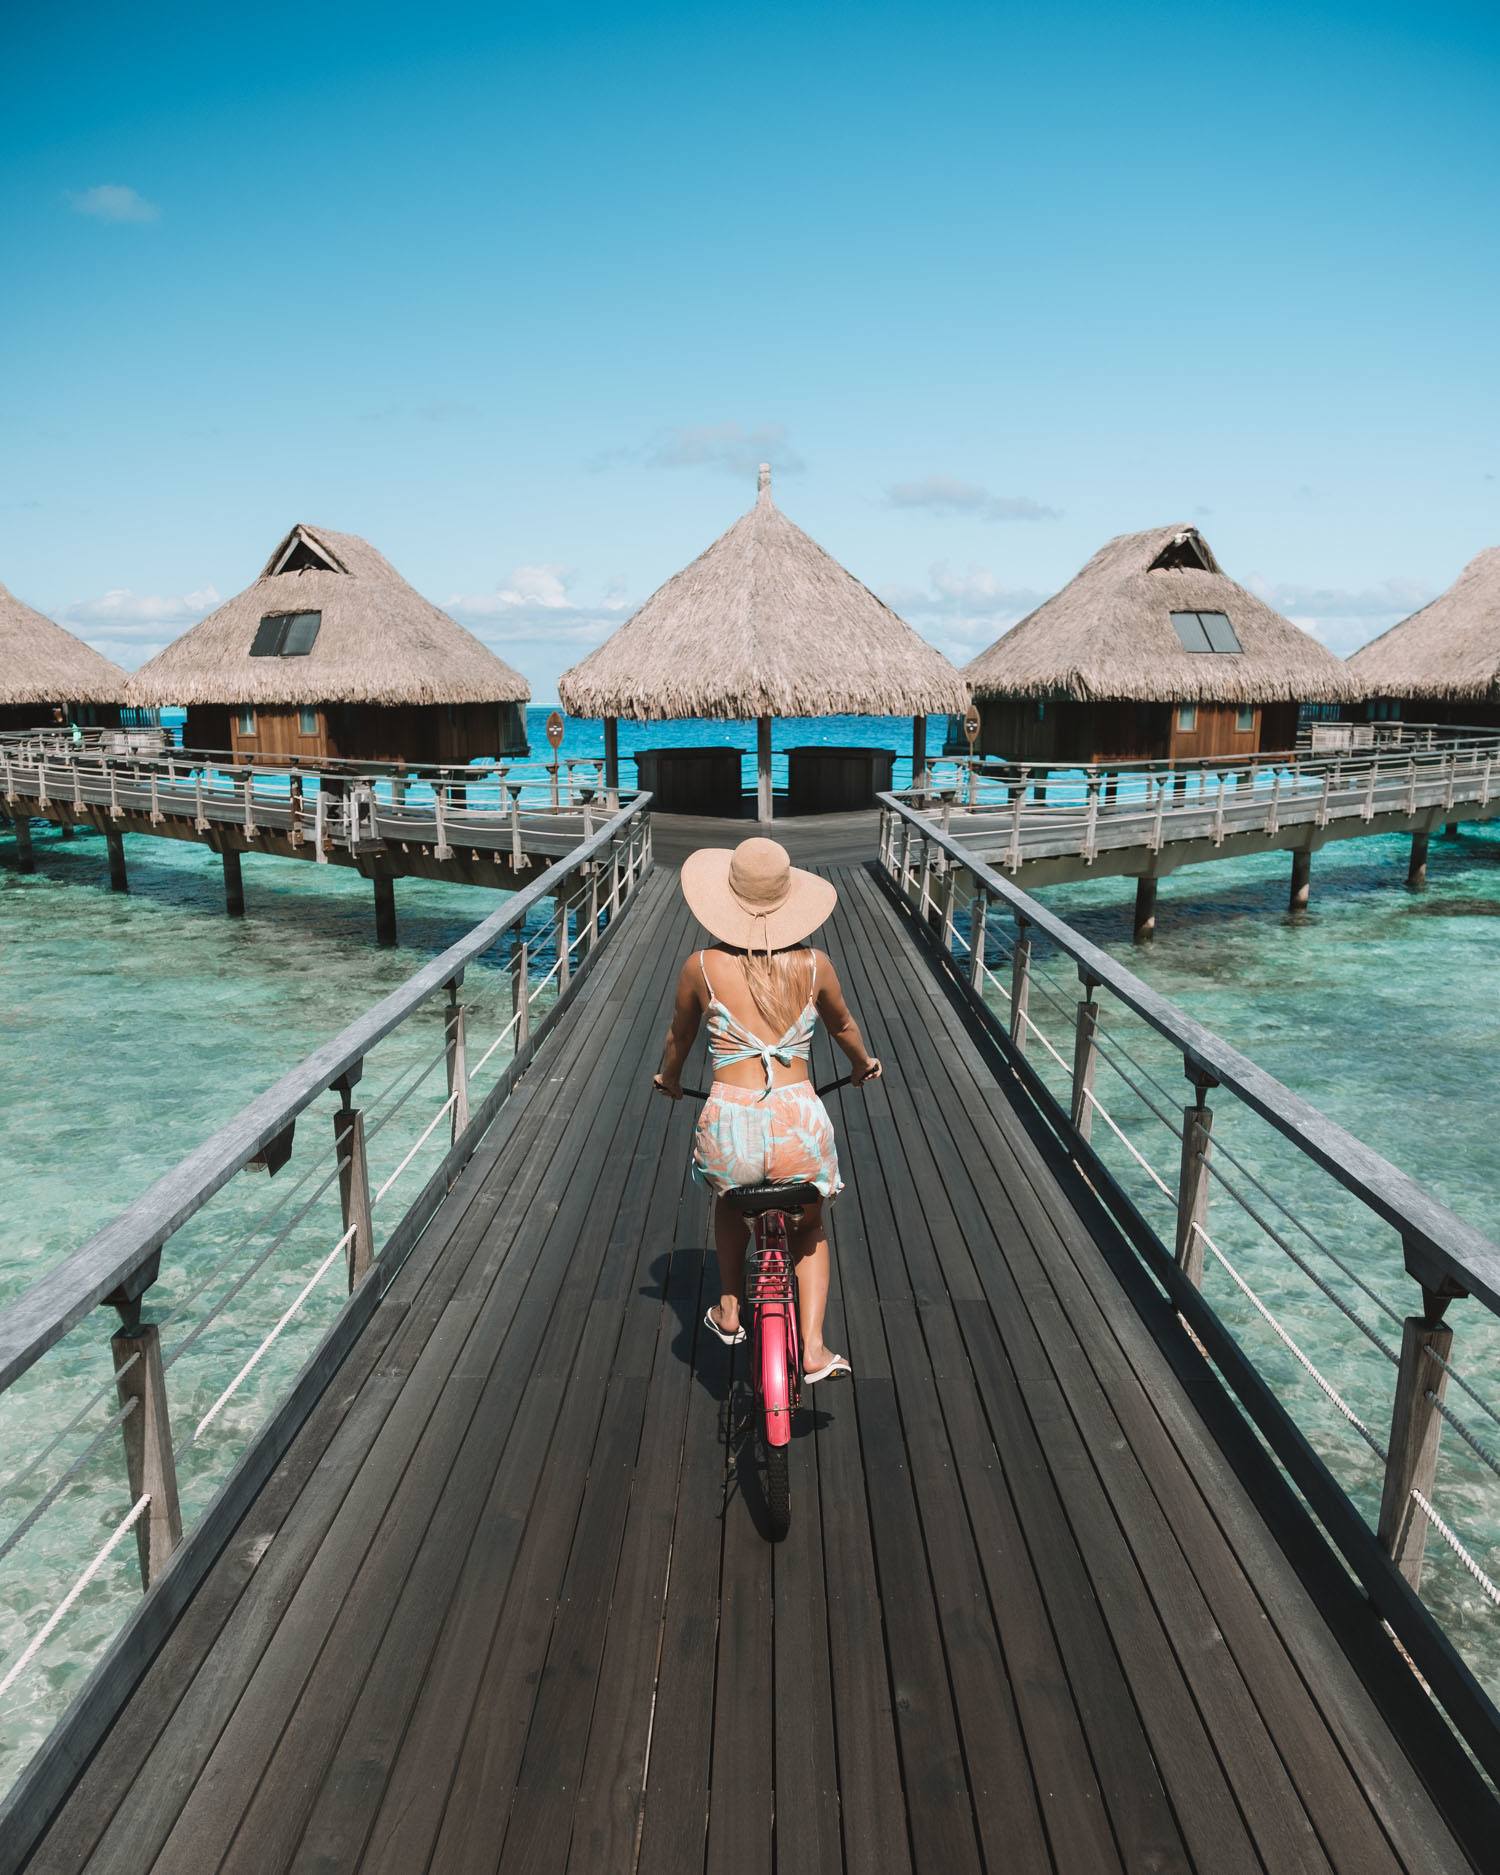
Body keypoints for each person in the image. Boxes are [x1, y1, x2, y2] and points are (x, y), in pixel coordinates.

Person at [653, 836, 881, 1383]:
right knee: (809, 1228)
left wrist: (670, 1079)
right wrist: (861, 1063)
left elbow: (678, 1040)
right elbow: (845, 1027)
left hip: (730, 1121)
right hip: (799, 1124)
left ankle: (731, 1309)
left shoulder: (701, 967)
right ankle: (815, 1348)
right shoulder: (814, 964)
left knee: (731, 1205)